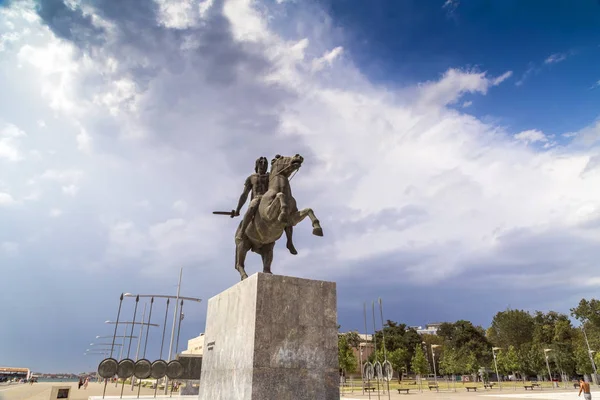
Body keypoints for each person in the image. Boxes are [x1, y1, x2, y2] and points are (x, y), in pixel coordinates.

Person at [234, 156, 297, 254]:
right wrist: (238, 209)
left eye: (265, 163)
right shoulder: (251, 178)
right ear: (257, 164)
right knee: (252, 206)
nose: (263, 164)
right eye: (261, 162)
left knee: (286, 214)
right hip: (257, 199)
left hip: (270, 199)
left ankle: (289, 241)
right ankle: (242, 232)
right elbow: (244, 194)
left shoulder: (270, 176)